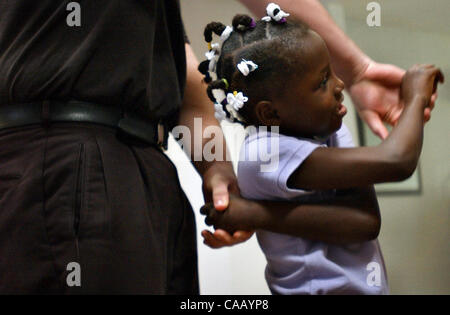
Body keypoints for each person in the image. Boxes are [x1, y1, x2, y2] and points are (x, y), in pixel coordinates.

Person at [199, 5, 444, 294]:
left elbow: (365, 222)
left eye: (332, 71)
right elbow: (397, 161)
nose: (340, 85)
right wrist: (414, 97)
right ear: (270, 114)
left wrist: (254, 213)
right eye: (322, 81)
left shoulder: (331, 128)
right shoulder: (263, 152)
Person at [0, 0, 238, 294]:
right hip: (68, 160)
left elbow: (180, 70)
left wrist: (216, 165)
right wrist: (313, 26)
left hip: (146, 172)